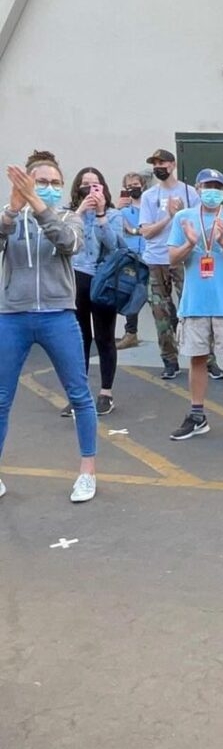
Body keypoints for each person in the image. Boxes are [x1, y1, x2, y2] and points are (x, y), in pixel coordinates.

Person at [0, 151, 98, 503]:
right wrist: (12, 210)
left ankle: (87, 472)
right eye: (42, 182)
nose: (50, 188)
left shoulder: (70, 217)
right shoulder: (9, 217)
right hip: (13, 315)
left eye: (56, 183)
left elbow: (68, 244)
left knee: (79, 395)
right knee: (1, 398)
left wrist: (42, 207)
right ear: (25, 182)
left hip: (58, 314)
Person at [166, 168, 223, 442]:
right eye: (207, 185)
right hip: (194, 304)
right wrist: (191, 243)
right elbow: (172, 258)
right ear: (196, 188)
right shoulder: (184, 218)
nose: (212, 190)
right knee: (197, 359)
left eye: (217, 186)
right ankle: (197, 416)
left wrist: (222, 240)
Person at [138, 149, 223, 381]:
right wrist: (169, 216)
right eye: (154, 163)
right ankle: (169, 360)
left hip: (184, 259)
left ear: (173, 164)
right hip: (156, 260)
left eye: (162, 162)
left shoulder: (189, 193)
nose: (159, 167)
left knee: (195, 309)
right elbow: (146, 232)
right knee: (161, 312)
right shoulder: (149, 196)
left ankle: (208, 360)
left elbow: (201, 222)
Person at [61, 167, 125, 418]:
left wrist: (100, 215)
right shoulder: (68, 213)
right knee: (79, 338)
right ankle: (79, 395)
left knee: (104, 337)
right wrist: (79, 212)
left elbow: (115, 246)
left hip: (103, 279)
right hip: (75, 278)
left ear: (103, 188)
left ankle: (106, 392)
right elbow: (63, 240)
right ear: (77, 188)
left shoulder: (113, 215)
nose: (90, 190)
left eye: (95, 185)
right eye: (85, 185)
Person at [114, 171, 149, 349]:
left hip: (150, 255)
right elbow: (115, 228)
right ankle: (131, 333)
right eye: (129, 186)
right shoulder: (122, 210)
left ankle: (173, 334)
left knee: (158, 297)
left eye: (136, 184)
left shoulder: (150, 205)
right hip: (130, 256)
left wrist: (133, 230)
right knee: (131, 293)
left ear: (143, 185)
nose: (133, 188)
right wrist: (117, 209)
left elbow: (147, 230)